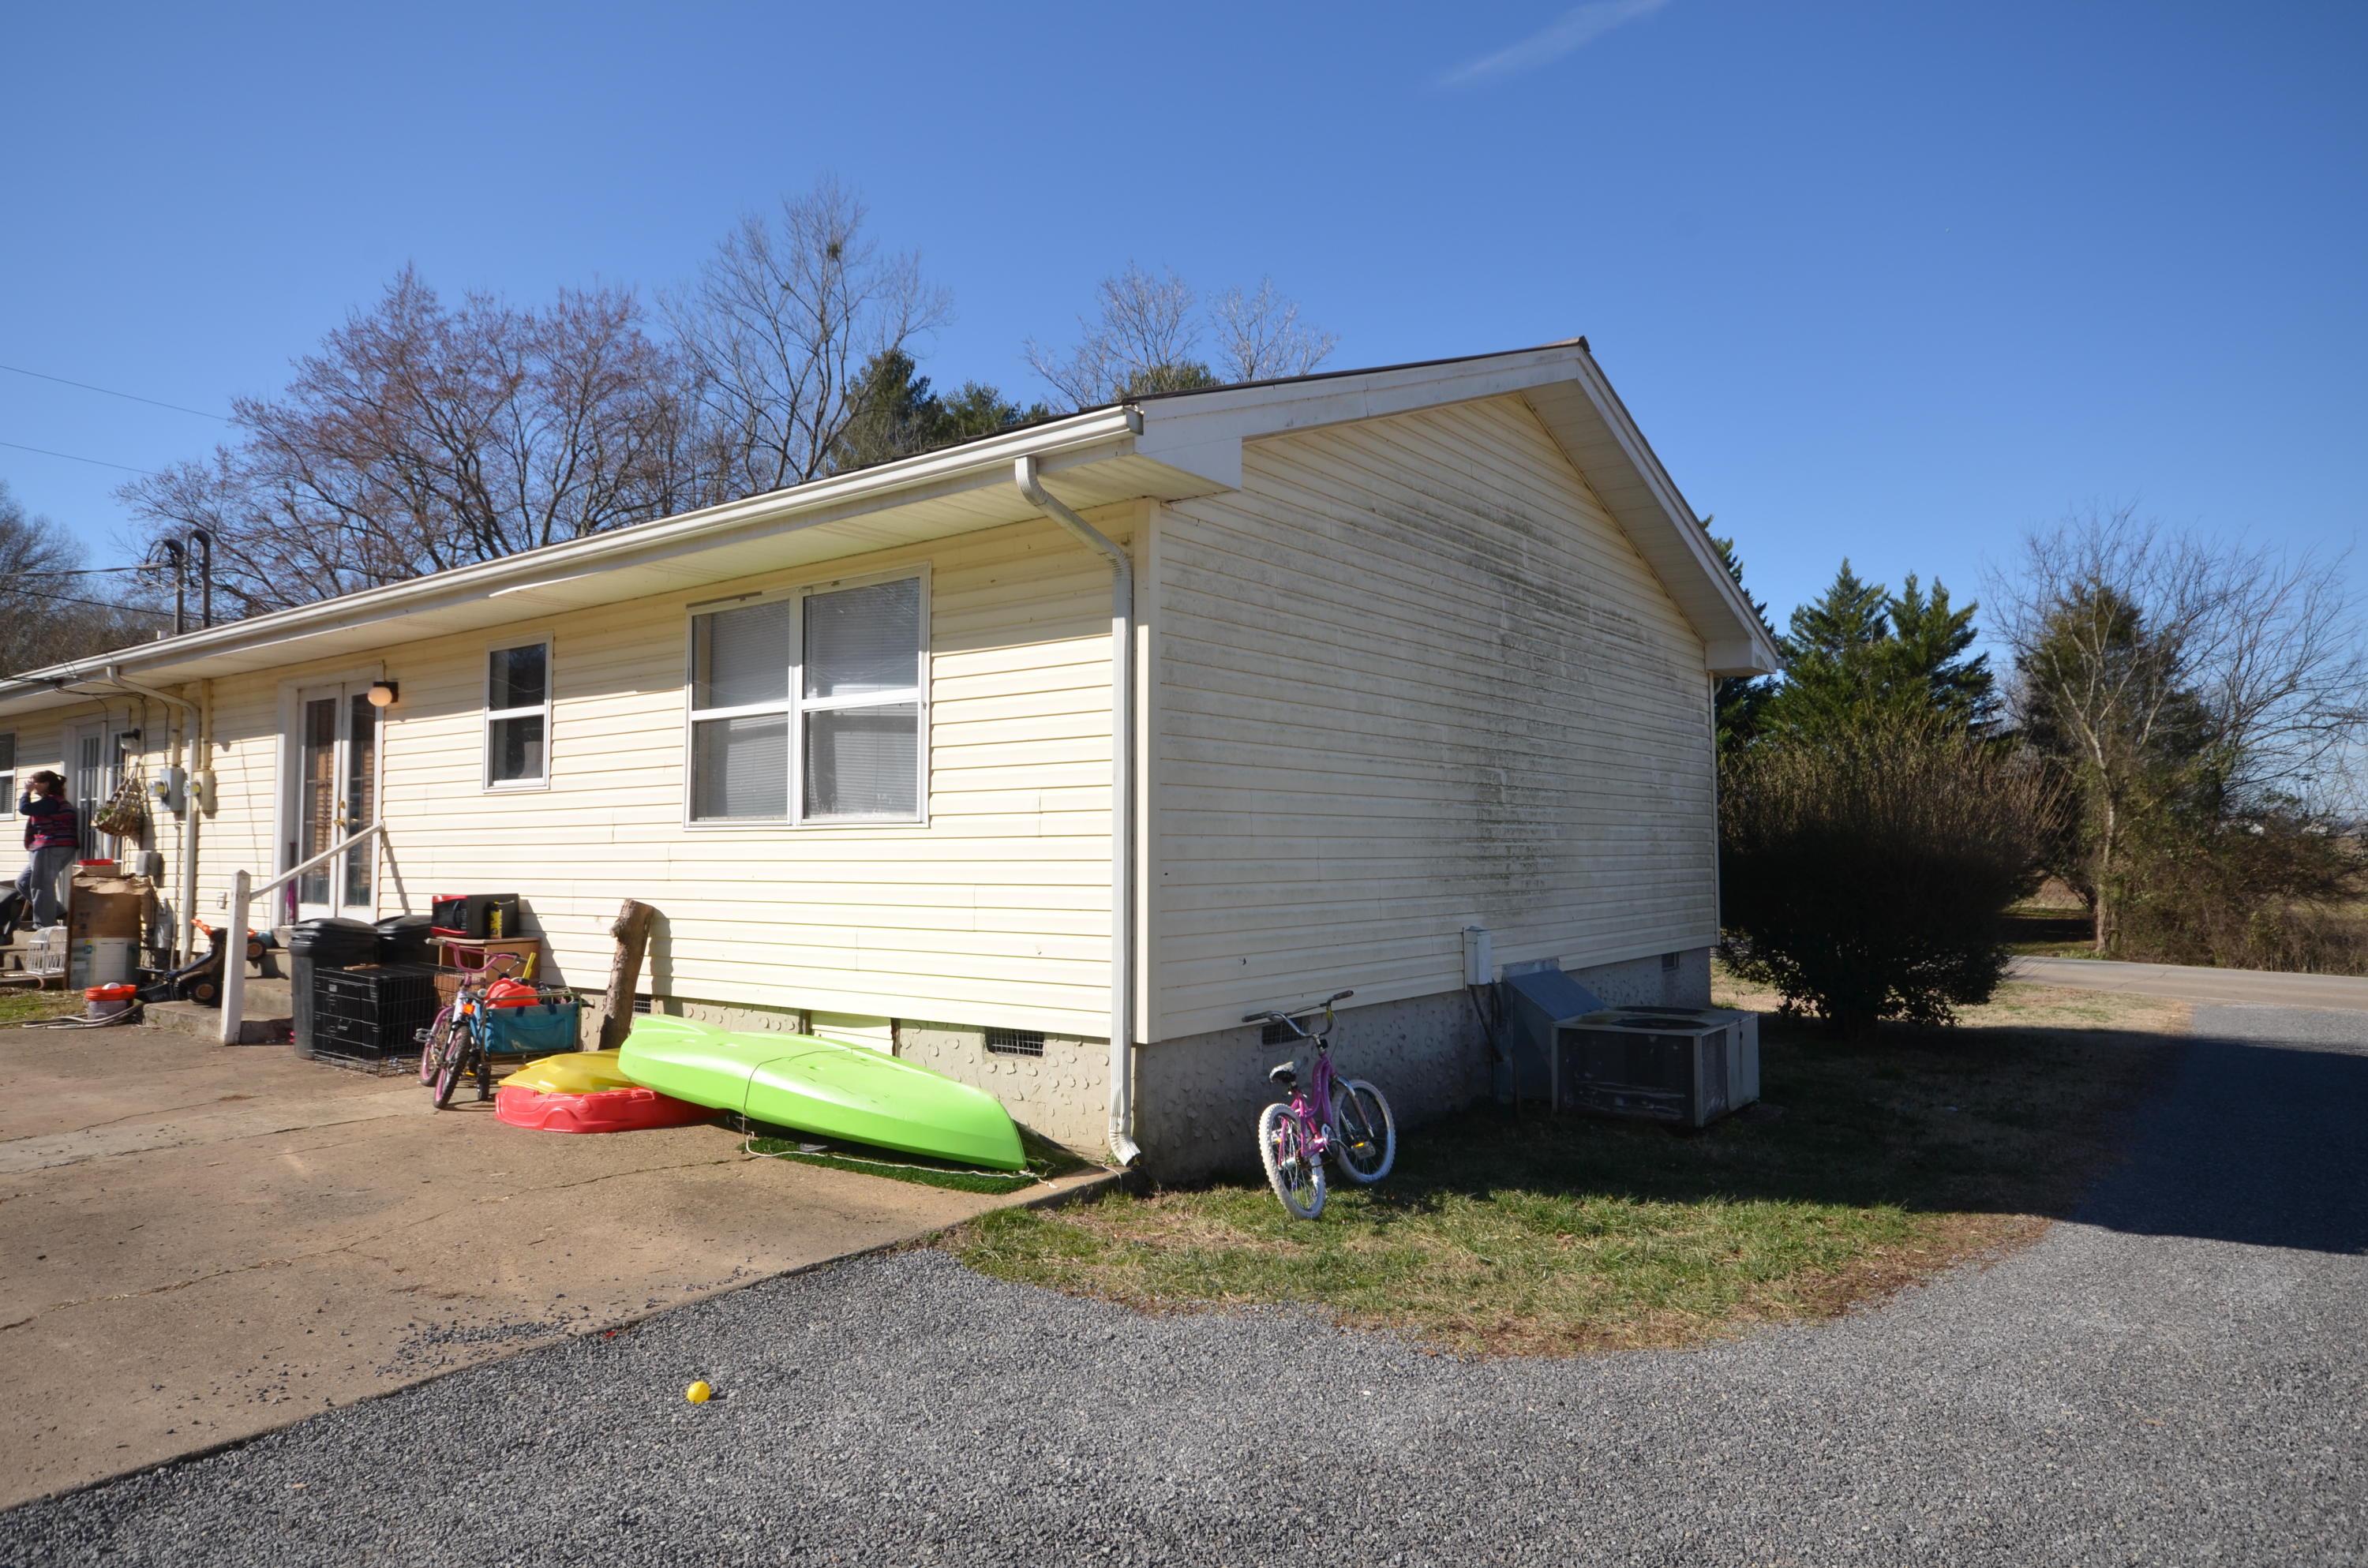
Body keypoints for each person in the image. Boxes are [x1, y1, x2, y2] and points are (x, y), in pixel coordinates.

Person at [16, 769, 78, 928]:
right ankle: (58, 912)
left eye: (35, 782)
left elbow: (25, 809)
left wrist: (26, 792)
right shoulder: (51, 802)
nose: (32, 785)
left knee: (41, 885)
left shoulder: (52, 802)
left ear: (46, 784)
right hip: (48, 847)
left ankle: (44, 925)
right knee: (23, 882)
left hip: (51, 847)